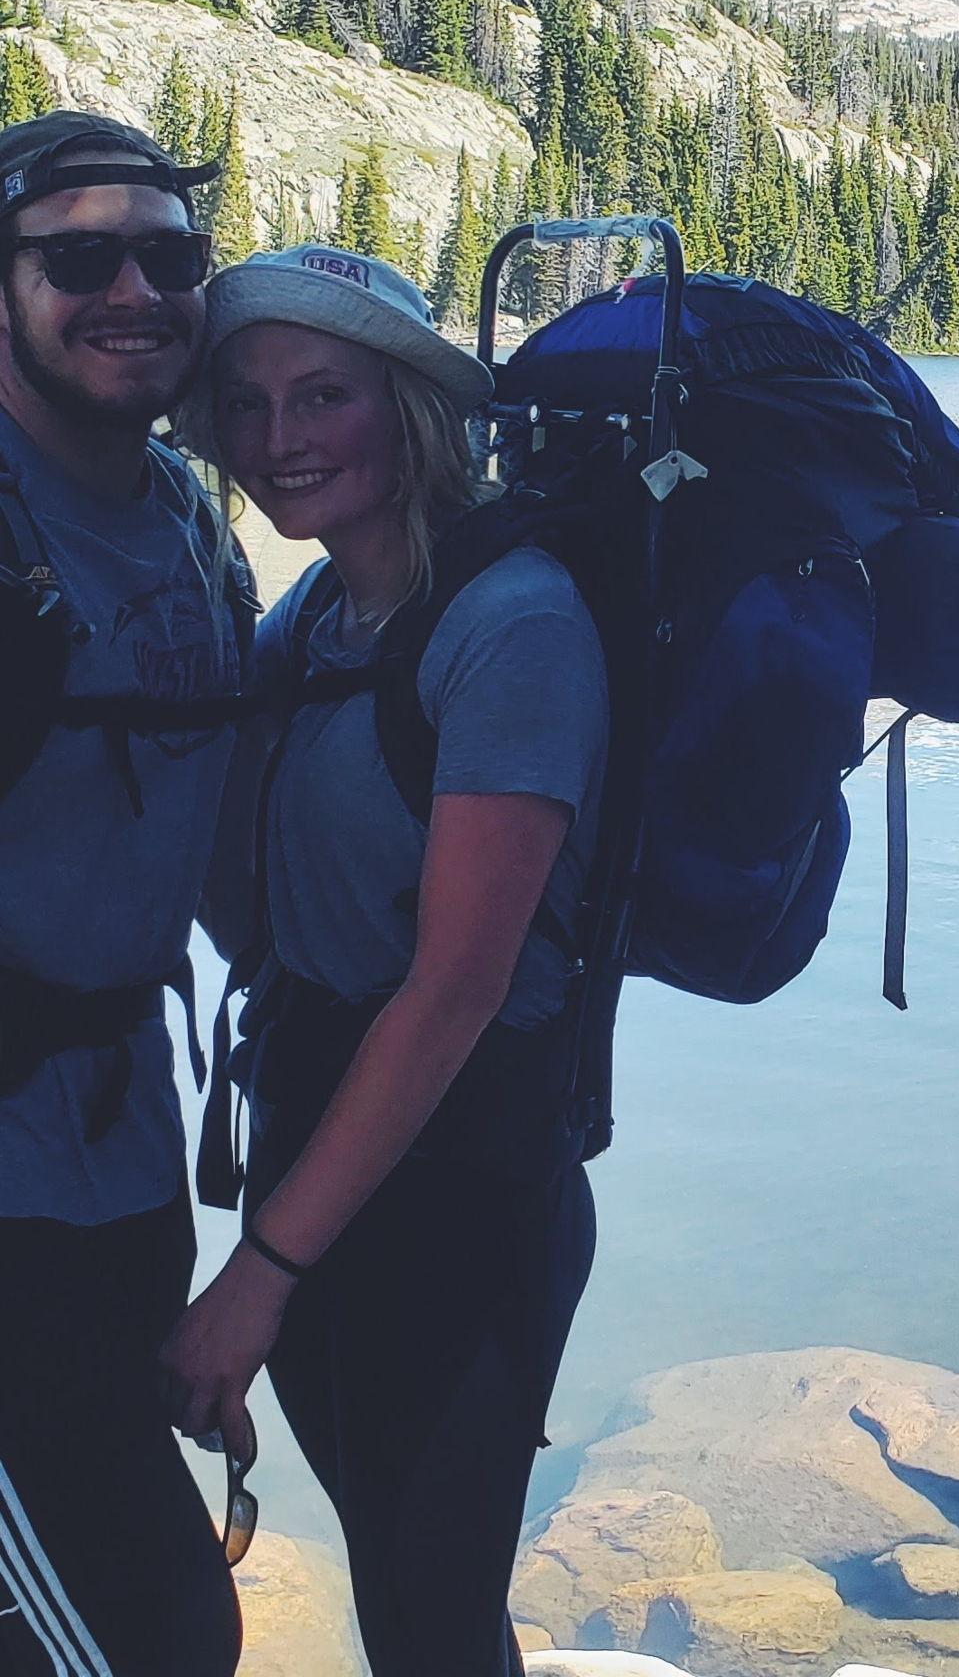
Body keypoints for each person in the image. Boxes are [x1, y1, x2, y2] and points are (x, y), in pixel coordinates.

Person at [159, 244, 606, 1676]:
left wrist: (260, 1274)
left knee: (429, 1623)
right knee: (418, 1608)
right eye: (245, 402)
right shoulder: (318, 618)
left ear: (409, 406)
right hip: (327, 1169)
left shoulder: (516, 627)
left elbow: (454, 991)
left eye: (323, 395)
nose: (278, 439)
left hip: (464, 1201)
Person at [0, 113, 243, 1677]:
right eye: (77, 258)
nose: (132, 289)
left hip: (125, 1164)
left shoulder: (185, 521)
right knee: (150, 1636)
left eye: (168, 255)